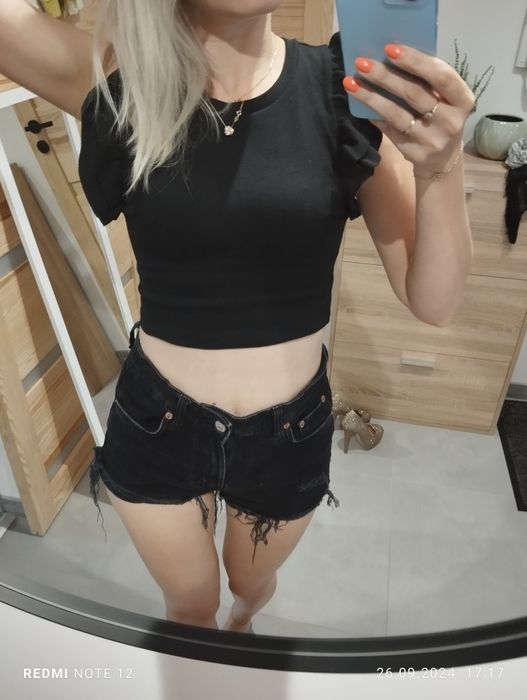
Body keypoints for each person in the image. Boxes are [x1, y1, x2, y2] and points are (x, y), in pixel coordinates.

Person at [0, 0, 474, 633]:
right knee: (189, 607)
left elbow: (433, 302)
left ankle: (244, 626)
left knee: (249, 590)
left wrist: (440, 164)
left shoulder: (343, 91)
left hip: (287, 433)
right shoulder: (119, 78)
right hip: (157, 423)